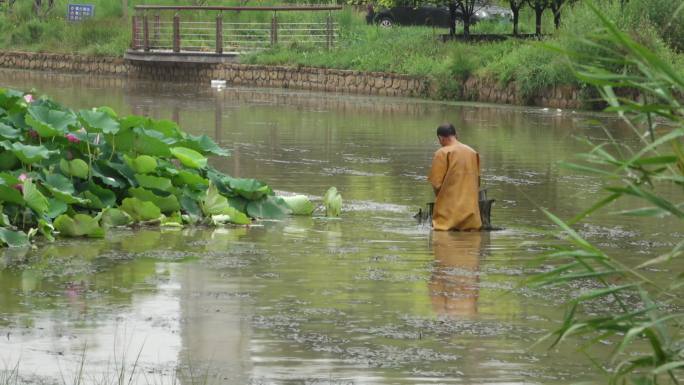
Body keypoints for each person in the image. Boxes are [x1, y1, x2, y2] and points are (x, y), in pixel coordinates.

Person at [428, 123, 482, 231]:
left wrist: (440, 202)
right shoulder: (472, 152)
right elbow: (478, 182)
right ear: (456, 135)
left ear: (440, 138)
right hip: (471, 217)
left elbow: (436, 184)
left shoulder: (442, 152)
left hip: (448, 218)